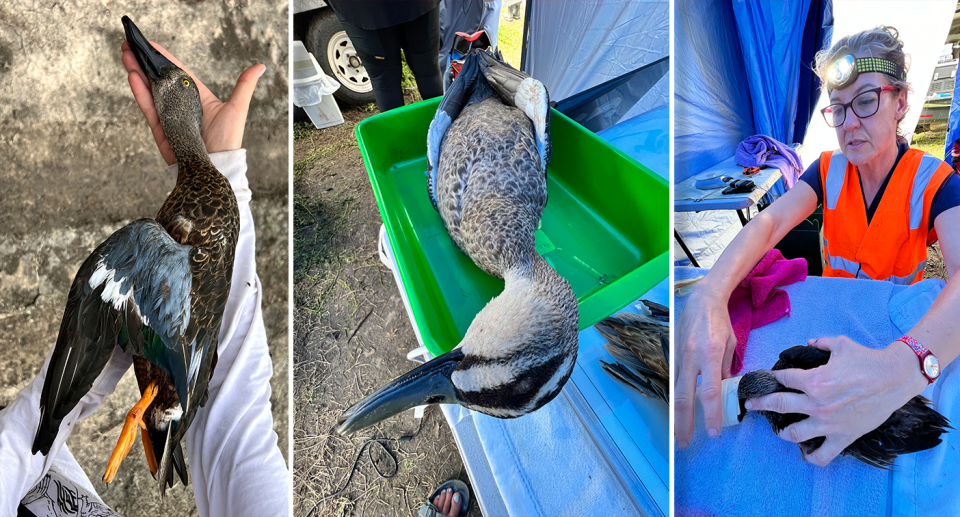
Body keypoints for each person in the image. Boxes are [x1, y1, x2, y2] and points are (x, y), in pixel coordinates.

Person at [0, 40, 289, 515]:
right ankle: (153, 420)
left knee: (123, 258)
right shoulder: (206, 199)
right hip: (172, 377)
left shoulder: (165, 230)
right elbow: (240, 438)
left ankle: (148, 419)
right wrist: (225, 168)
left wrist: (42, 422)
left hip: (152, 387)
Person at [675, 26, 960, 467]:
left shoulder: (936, 181)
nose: (849, 124)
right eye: (839, 109)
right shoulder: (827, 169)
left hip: (898, 333)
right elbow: (769, 223)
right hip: (830, 324)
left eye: (866, 101)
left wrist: (901, 369)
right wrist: (710, 292)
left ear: (901, 101)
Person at [326, 0, 444, 112]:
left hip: (361, 9)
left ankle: (397, 132)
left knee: (385, 81)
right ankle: (444, 129)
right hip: (418, 4)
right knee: (427, 69)